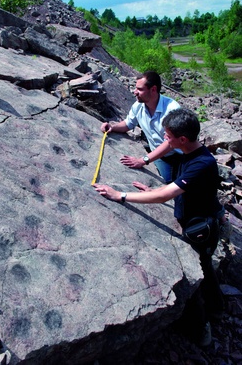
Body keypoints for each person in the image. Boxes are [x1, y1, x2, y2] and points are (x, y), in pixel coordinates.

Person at [94, 108, 225, 346]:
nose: (164, 139)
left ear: (182, 139)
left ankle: (203, 328)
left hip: (200, 230)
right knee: (206, 269)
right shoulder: (188, 152)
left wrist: (121, 195)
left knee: (198, 275)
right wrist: (154, 190)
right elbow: (180, 189)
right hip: (194, 221)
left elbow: (166, 195)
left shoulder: (201, 163)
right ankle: (218, 306)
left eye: (167, 136)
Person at [101, 71, 182, 184]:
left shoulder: (172, 109)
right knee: (166, 184)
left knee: (178, 186)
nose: (135, 92)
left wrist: (143, 160)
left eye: (140, 89)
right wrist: (112, 127)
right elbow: (128, 124)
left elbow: (170, 143)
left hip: (179, 154)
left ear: (153, 89)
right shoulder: (138, 106)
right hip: (159, 156)